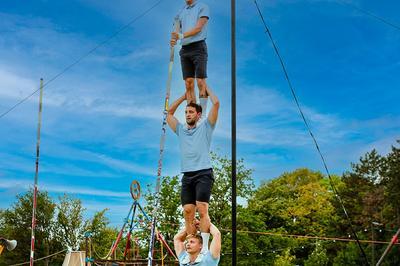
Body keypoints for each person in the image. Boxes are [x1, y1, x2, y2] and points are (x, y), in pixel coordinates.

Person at [167, 85, 219, 253]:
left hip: (204, 172)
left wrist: (206, 88)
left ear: (198, 115)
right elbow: (168, 114)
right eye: (186, 112)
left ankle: (203, 247)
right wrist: (184, 97)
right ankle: (192, 246)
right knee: (188, 211)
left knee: (202, 208)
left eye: (191, 112)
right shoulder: (181, 130)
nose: (188, 114)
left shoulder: (206, 127)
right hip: (187, 175)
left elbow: (216, 103)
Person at [170, 0, 210, 114]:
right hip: (185, 49)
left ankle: (201, 115)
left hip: (198, 47)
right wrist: (173, 39)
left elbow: (198, 28)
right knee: (188, 83)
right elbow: (176, 29)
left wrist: (181, 35)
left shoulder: (203, 7)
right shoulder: (180, 11)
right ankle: (192, 115)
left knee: (200, 81)